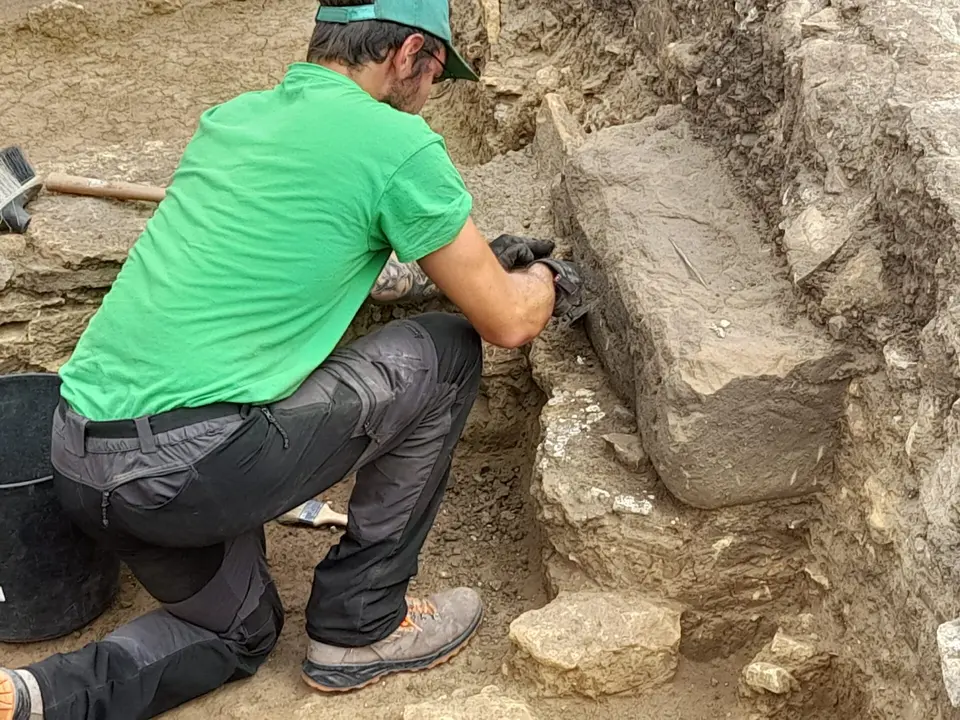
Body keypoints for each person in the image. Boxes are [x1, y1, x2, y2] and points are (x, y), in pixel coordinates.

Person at [0, 1, 585, 719]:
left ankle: (33, 695)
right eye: (437, 73)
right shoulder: (396, 141)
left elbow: (348, 261)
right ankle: (362, 626)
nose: (433, 93)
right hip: (188, 475)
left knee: (241, 633)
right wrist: (546, 282)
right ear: (409, 55)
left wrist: (461, 263)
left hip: (83, 466)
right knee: (449, 350)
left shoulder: (235, 119)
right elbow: (505, 320)